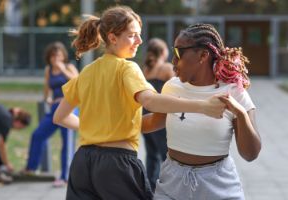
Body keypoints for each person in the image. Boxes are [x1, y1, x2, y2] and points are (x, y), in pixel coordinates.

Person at [53, 6, 226, 200]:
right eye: (133, 35)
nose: (139, 41)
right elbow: (150, 101)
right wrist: (202, 106)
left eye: (139, 35)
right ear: (112, 38)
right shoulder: (127, 68)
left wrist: (94, 128)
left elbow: (60, 117)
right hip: (117, 165)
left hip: (83, 164)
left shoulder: (86, 72)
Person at [142, 23, 262, 200]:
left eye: (178, 53)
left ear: (203, 55)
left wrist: (241, 114)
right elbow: (153, 122)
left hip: (218, 186)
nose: (173, 61)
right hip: (171, 183)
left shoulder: (235, 92)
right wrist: (111, 121)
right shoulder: (171, 87)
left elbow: (250, 154)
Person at [23, 41, 79, 187]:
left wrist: (63, 70)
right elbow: (47, 88)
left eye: (59, 55)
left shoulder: (69, 67)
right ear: (49, 57)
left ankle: (65, 177)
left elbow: (78, 83)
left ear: (63, 56)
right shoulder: (48, 70)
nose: (56, 59)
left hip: (69, 108)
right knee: (38, 134)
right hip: (54, 108)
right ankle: (31, 168)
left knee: (67, 142)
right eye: (53, 56)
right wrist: (47, 98)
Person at [142, 38, 174, 191]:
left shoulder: (145, 70)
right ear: (163, 52)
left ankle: (150, 187)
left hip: (144, 114)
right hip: (159, 115)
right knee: (165, 153)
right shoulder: (166, 68)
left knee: (151, 153)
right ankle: (169, 187)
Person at [0, 101, 31, 183]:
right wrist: (7, 163)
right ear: (19, 123)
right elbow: (1, 145)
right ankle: (0, 169)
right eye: (21, 128)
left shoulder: (6, 115)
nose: (18, 130)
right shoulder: (6, 121)